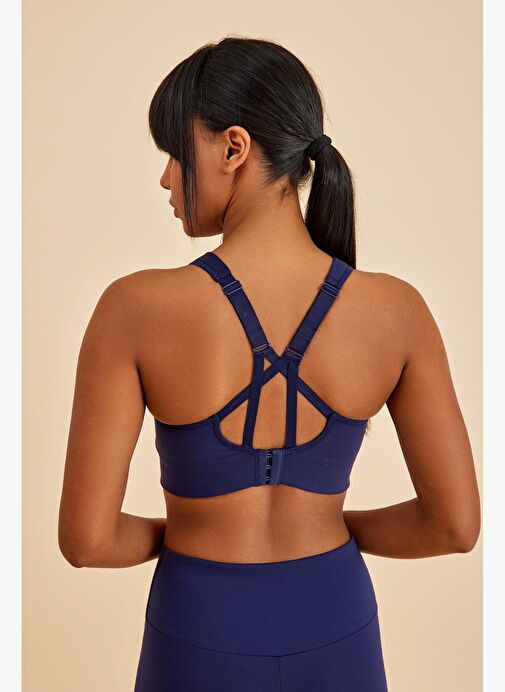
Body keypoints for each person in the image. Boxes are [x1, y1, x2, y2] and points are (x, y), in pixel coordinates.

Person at [58, 36, 481, 691]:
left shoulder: (134, 308)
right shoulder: (396, 311)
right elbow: (453, 527)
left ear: (234, 148)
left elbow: (87, 542)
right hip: (336, 618)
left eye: (175, 151)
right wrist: (327, 525)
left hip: (197, 624)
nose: (167, 177)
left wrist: (193, 529)